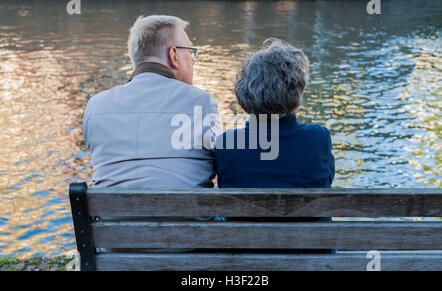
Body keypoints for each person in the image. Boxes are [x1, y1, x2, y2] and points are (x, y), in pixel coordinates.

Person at [213, 39, 335, 252]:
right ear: (296, 96)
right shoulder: (319, 138)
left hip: (247, 259)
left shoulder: (227, 143)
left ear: (245, 95)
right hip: (312, 259)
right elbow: (327, 180)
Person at [82, 15, 221, 189]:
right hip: (187, 215)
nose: (193, 59)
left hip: (111, 216)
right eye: (190, 52)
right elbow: (220, 166)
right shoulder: (202, 102)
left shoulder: (96, 106)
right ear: (174, 55)